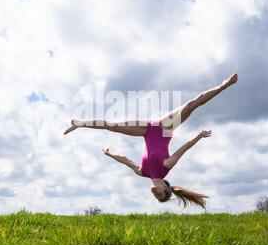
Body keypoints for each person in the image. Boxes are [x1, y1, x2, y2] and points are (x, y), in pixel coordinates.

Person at [64, 74, 238, 208]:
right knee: (192, 105)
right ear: (167, 189)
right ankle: (225, 85)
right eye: (161, 195)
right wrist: (198, 137)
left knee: (112, 126)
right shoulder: (165, 168)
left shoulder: (143, 172)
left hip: (146, 130)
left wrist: (110, 154)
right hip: (164, 127)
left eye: (156, 197)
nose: (156, 194)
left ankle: (80, 123)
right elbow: (183, 149)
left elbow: (125, 160)